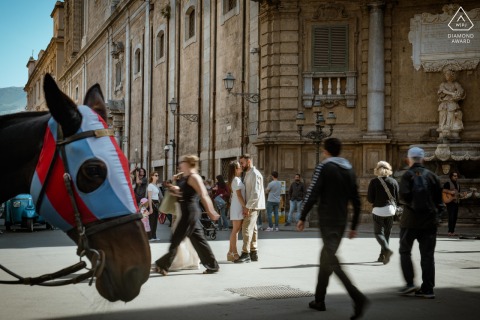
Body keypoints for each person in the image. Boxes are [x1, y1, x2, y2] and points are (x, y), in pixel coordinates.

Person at [296, 137, 368, 319]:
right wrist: (353, 225)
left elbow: (313, 192)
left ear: (326, 150)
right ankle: (319, 300)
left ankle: (357, 297)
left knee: (331, 260)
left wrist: (302, 216)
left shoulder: (324, 166)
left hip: (327, 219)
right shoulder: (349, 169)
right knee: (325, 258)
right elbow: (356, 199)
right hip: (341, 220)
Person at [154, 155, 220, 275]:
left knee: (176, 239)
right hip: (186, 212)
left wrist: (211, 212)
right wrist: (173, 189)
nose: (180, 164)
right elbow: (182, 193)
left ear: (189, 163)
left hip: (190, 213)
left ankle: (162, 265)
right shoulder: (185, 177)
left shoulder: (194, 177)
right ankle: (212, 265)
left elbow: (204, 195)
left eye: (182, 162)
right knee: (199, 241)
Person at [398, 147, 444, 299]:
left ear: (409, 159)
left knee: (405, 251)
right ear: (423, 159)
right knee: (427, 256)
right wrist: (439, 217)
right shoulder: (433, 176)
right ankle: (428, 289)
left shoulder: (407, 175)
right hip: (429, 222)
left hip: (410, 221)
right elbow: (439, 201)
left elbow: (403, 196)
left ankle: (410, 283)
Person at [235, 154, 266, 263]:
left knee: (246, 228)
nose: (241, 165)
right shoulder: (248, 173)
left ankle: (245, 253)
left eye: (242, 163)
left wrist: (247, 207)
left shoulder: (255, 174)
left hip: (252, 206)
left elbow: (256, 193)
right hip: (250, 205)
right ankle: (254, 252)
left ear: (248, 162)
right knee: (253, 229)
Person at [367, 161, 398, 264]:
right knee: (387, 234)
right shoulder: (393, 182)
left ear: (377, 169)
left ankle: (387, 251)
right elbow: (397, 198)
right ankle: (383, 256)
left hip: (378, 211)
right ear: (389, 169)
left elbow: (370, 199)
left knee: (378, 233)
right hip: (390, 210)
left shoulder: (374, 182)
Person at [226, 160, 246, 261]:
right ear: (235, 169)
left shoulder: (235, 179)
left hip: (236, 205)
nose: (241, 167)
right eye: (239, 166)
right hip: (237, 206)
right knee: (235, 230)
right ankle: (234, 253)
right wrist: (245, 206)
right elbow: (239, 195)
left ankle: (230, 252)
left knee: (236, 230)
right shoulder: (236, 180)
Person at [437, 68, 465, 138]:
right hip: (444, 103)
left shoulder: (455, 84)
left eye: (448, 75)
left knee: (451, 116)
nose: (447, 76)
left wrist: (457, 93)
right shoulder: (443, 84)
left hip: (452, 103)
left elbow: (461, 91)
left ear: (452, 76)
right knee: (442, 115)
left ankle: (451, 129)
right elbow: (442, 91)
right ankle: (442, 128)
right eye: (446, 75)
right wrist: (452, 93)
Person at [442, 171, 463, 236]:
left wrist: (462, 195)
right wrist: (450, 192)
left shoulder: (458, 184)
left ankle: (452, 231)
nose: (456, 177)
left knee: (455, 217)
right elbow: (442, 190)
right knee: (451, 217)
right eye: (454, 176)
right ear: (451, 177)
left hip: (456, 202)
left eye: (456, 176)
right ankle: (449, 231)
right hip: (450, 202)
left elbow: (458, 194)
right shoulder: (448, 183)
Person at [147, 171, 163, 241]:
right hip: (152, 203)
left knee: (155, 221)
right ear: (152, 176)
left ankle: (154, 236)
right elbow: (149, 197)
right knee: (151, 221)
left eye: (158, 175)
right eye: (155, 175)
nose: (157, 176)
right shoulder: (150, 185)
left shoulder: (156, 185)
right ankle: (149, 237)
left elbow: (158, 196)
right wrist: (150, 208)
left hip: (156, 203)